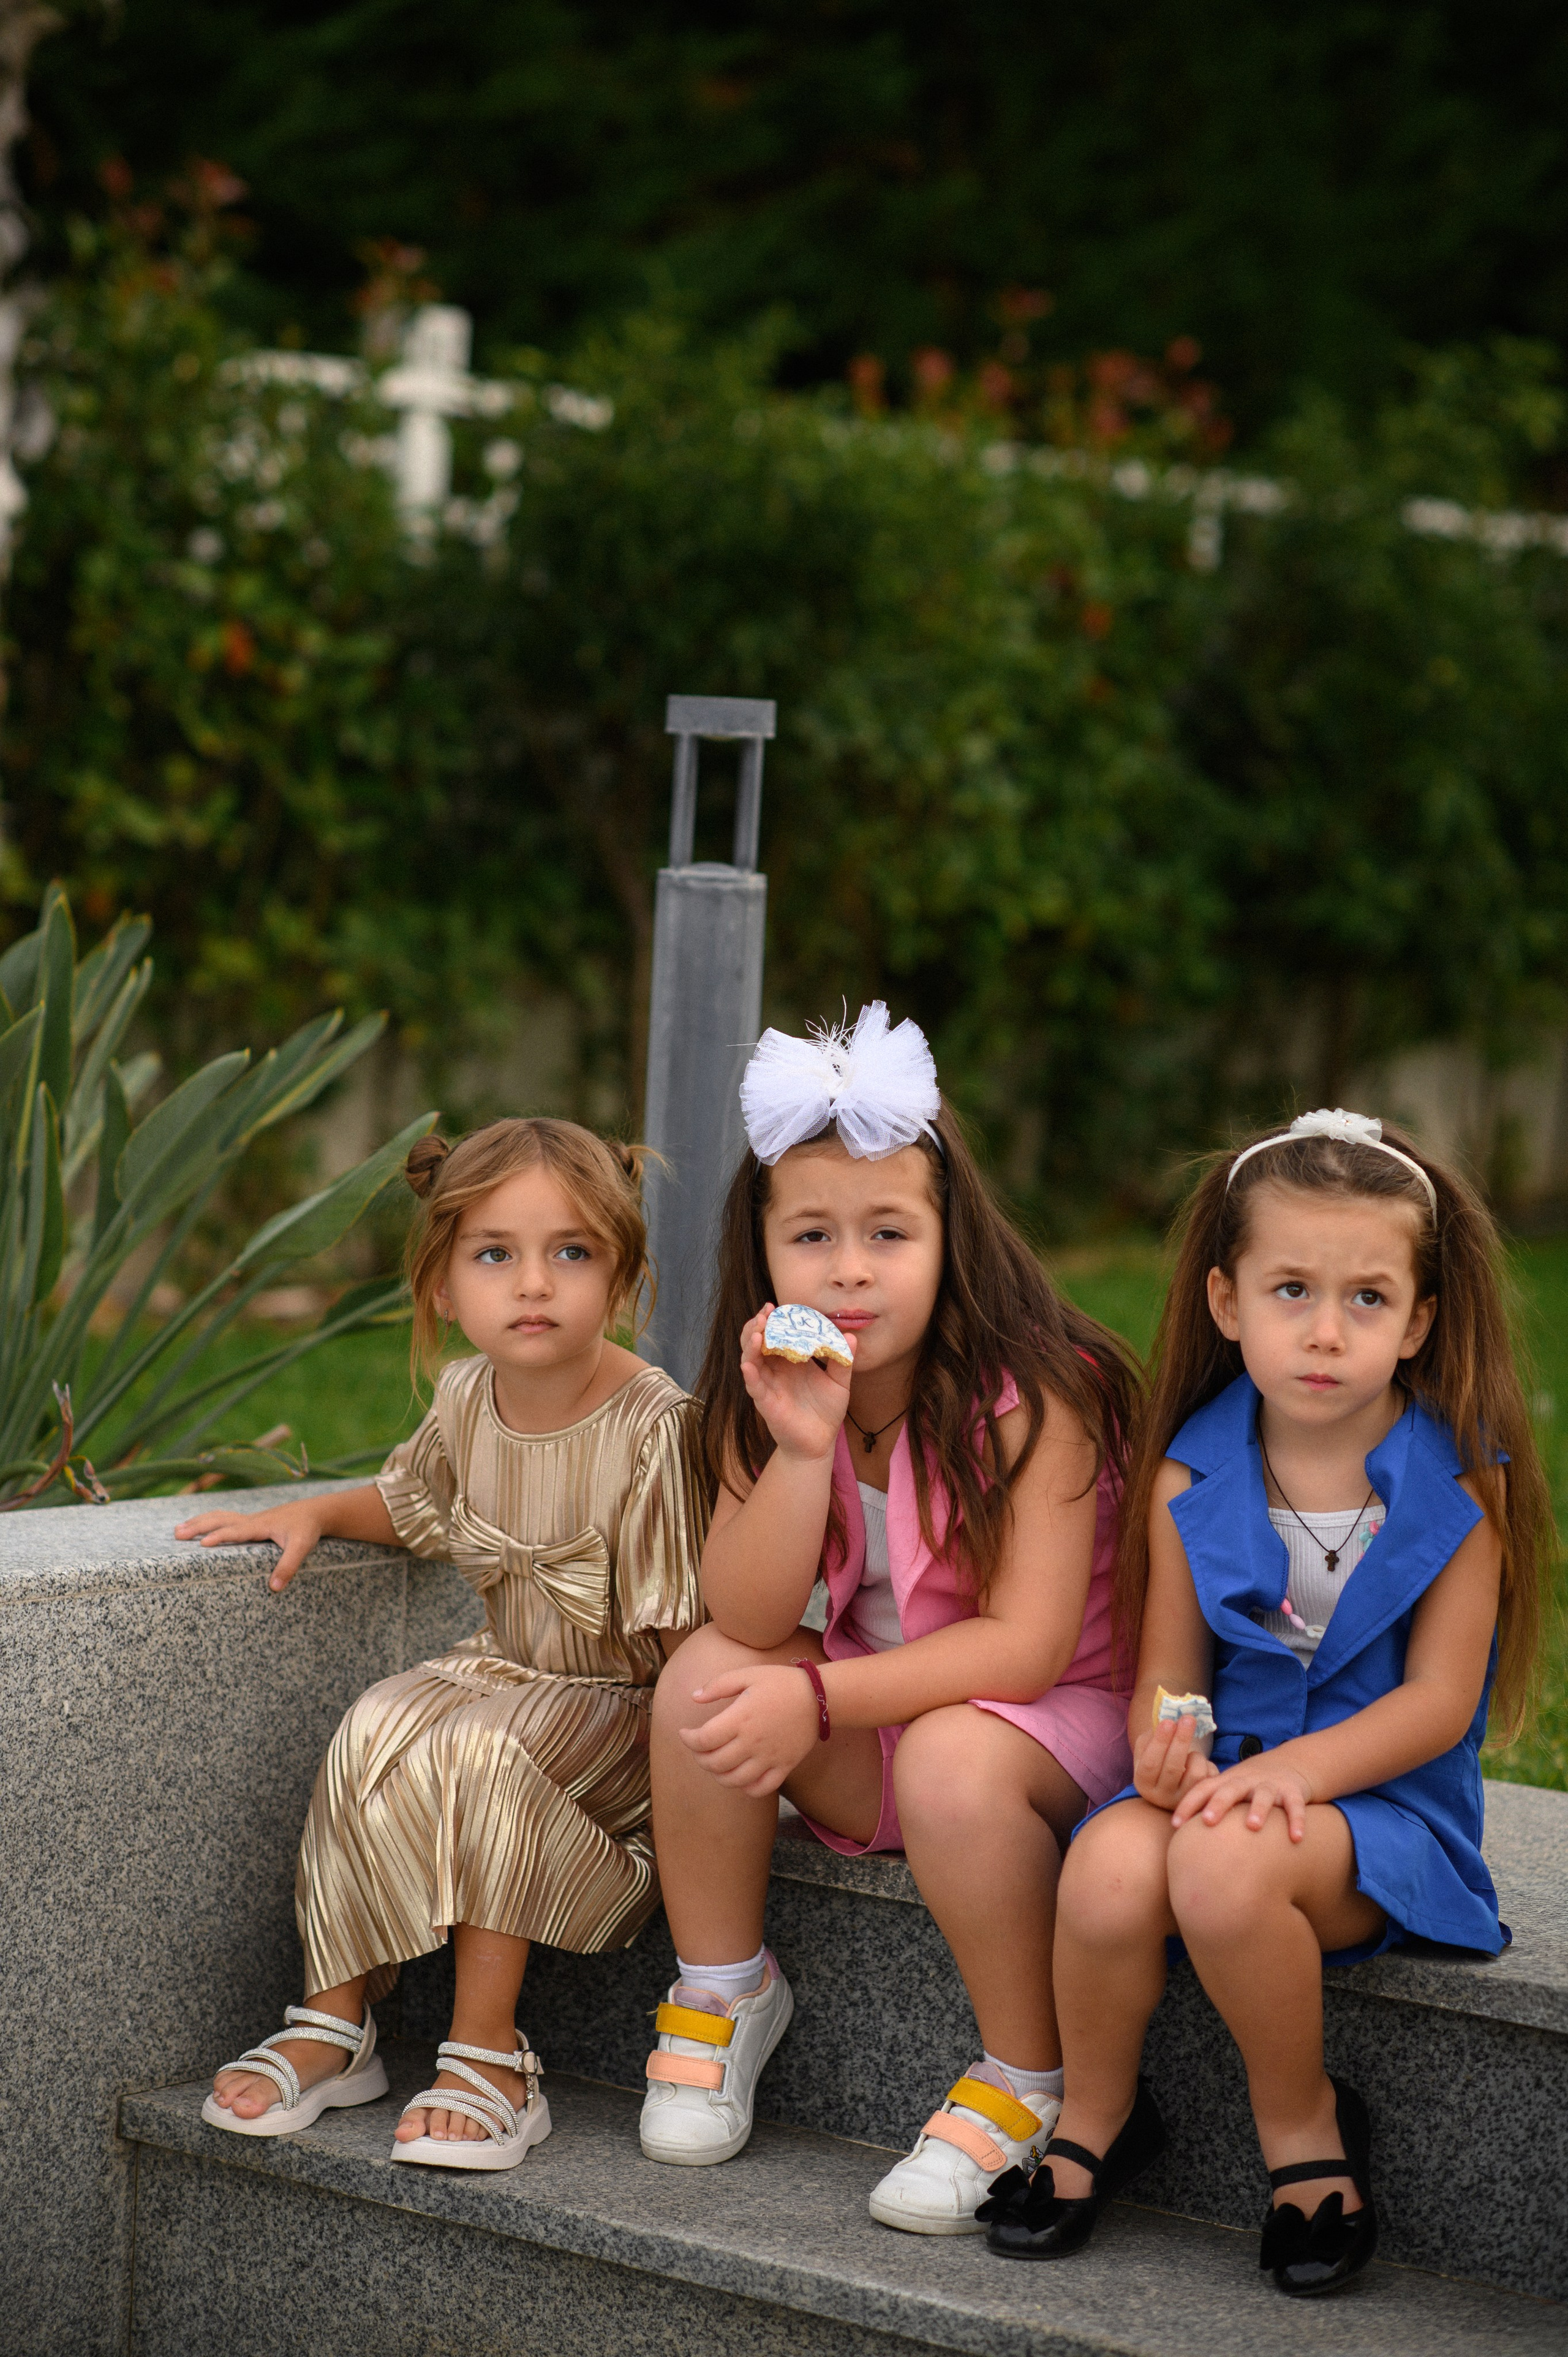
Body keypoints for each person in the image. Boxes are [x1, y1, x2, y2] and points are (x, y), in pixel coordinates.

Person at [983, 1109, 1551, 2296]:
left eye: (1364, 1299)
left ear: (1418, 1322)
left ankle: (1301, 2132)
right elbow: (1170, 1664)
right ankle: (1095, 2116)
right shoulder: (1189, 1467)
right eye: (1289, 1289)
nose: (1323, 1331)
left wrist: (1293, 1775)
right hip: (1222, 1781)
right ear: (1225, 1301)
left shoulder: (1458, 1479)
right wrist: (1164, 1737)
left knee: (1224, 1866)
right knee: (1104, 1870)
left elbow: (1439, 1703)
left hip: (1374, 1815)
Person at [639, 1003, 1142, 2236]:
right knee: (704, 1674)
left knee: (953, 1753)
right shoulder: (771, 1394)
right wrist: (801, 1444)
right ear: (761, 1253)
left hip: (1051, 1736)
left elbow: (1023, 1649)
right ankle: (723, 1986)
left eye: (886, 1232)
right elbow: (751, 1610)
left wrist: (816, 1698)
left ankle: (1027, 2074)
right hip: (897, 1727)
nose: (848, 1268)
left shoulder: (1040, 1395)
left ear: (948, 1239)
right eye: (810, 1234)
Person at [179, 1118, 708, 2171]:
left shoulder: (656, 1423)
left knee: (478, 1747)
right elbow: (414, 1503)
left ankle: (489, 2053)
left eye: (573, 1252)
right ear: (441, 1288)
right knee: (376, 1719)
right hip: (505, 1667)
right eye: (495, 1254)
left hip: (625, 1702)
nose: (534, 1284)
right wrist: (323, 1512)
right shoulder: (467, 1396)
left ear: (621, 1277)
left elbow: (686, 1630)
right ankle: (338, 2021)